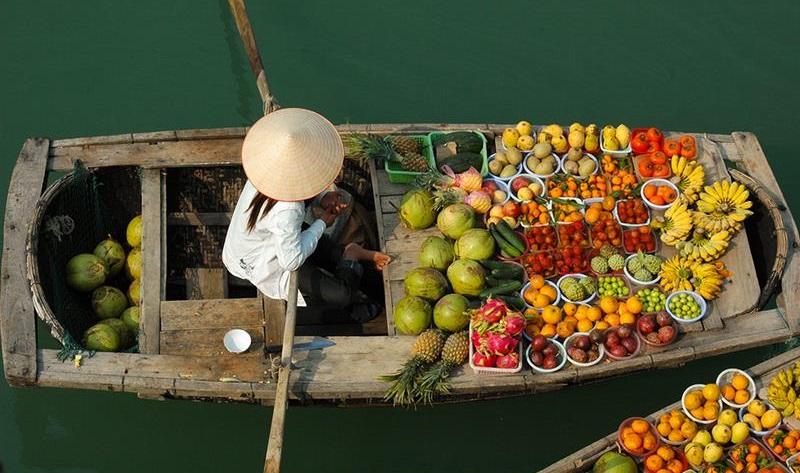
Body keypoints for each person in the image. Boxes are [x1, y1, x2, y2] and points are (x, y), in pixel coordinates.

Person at [222, 108, 391, 324]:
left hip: (277, 238)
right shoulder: (288, 209)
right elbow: (291, 261)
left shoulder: (265, 168)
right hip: (265, 260)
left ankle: (352, 255)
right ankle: (352, 256)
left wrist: (323, 198)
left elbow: (299, 186)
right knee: (342, 295)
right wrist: (322, 222)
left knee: (326, 251)